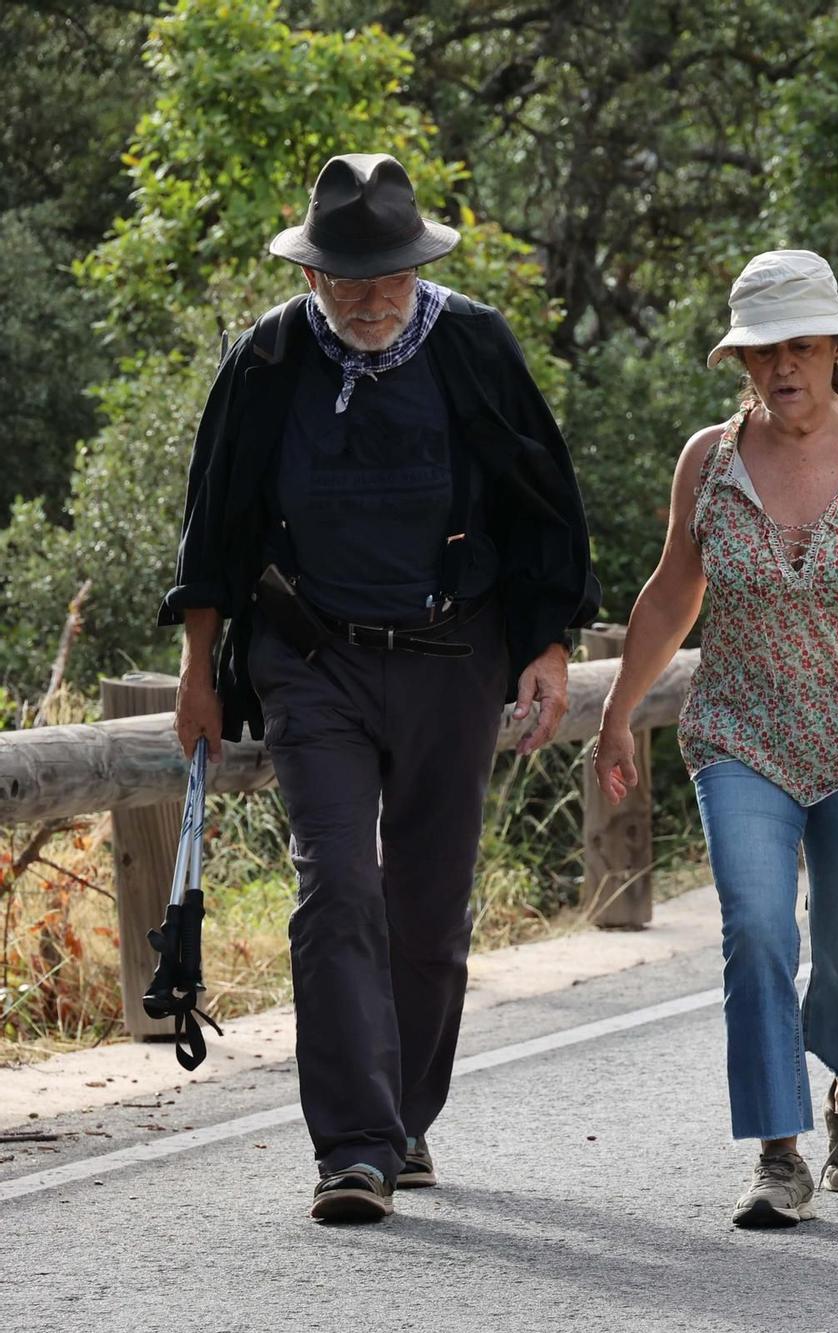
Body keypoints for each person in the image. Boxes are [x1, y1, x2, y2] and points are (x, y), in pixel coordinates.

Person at [163, 153, 598, 1221]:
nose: (369, 298)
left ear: (418, 267)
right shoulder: (265, 359)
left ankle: (403, 1123)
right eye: (348, 278)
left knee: (428, 908)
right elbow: (213, 526)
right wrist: (196, 674)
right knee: (338, 887)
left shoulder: (472, 345)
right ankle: (352, 1149)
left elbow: (545, 504)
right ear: (313, 277)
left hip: (455, 658)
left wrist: (547, 650)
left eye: (388, 276)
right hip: (310, 661)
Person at [590, 250, 838, 1229]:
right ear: (742, 361)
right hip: (740, 739)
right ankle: (776, 1151)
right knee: (758, 932)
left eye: (802, 347)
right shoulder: (709, 459)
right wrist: (614, 711)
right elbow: (668, 594)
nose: (782, 367)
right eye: (763, 351)